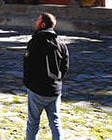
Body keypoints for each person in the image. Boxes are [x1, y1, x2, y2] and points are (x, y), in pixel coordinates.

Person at [23, 12, 69, 140]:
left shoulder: (35, 42)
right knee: (55, 122)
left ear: (43, 24)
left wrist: (28, 83)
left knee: (33, 122)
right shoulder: (61, 44)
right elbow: (65, 66)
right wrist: (57, 81)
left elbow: (28, 64)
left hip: (36, 89)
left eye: (37, 20)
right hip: (54, 90)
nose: (35, 22)